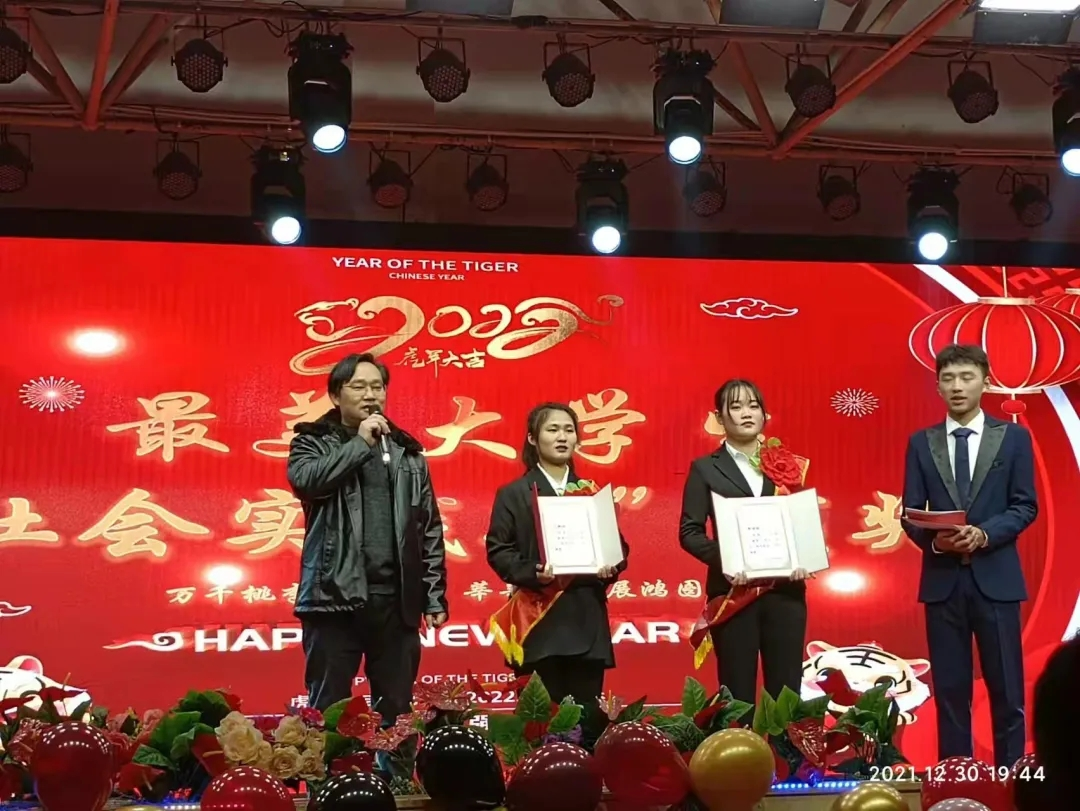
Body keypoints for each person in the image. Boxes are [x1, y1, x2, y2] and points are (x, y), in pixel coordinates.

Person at [287, 352, 449, 719]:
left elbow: (428, 528)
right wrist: (360, 444)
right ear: (335, 395)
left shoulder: (407, 453)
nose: (370, 395)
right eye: (358, 386)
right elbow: (307, 482)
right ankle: (331, 761)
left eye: (377, 387)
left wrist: (433, 596)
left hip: (395, 602)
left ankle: (396, 761)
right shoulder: (312, 442)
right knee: (329, 711)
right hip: (333, 599)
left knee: (397, 713)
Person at [901, 343, 1036, 769]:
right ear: (937, 386)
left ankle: (1013, 780)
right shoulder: (921, 443)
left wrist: (984, 534)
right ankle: (956, 778)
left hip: (996, 580)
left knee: (1007, 691)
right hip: (943, 583)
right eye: (948, 379)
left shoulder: (1014, 438)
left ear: (985, 382)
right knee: (950, 691)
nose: (957, 386)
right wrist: (937, 543)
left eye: (966, 377)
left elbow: (1024, 505)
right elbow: (910, 513)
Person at [485, 402, 629, 712]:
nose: (562, 437)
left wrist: (611, 564)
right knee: (539, 724)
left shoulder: (591, 492)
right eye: (552, 429)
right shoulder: (514, 493)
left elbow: (619, 549)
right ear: (532, 438)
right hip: (538, 622)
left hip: (586, 619)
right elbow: (499, 551)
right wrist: (533, 571)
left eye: (568, 430)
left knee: (586, 722)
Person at [679, 379, 810, 708]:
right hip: (733, 594)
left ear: (765, 414)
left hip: (785, 592)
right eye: (736, 407)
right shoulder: (705, 468)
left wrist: (804, 557)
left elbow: (801, 522)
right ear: (719, 418)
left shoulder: (787, 464)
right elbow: (689, 532)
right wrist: (727, 560)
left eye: (754, 406)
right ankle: (740, 745)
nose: (747, 413)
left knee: (786, 693)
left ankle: (787, 746)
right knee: (737, 694)